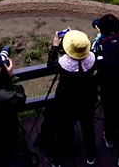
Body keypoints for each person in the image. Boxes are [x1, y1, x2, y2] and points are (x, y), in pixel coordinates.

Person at [44, 29, 99, 167]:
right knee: (88, 130)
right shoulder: (91, 59)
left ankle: (55, 160)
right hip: (87, 101)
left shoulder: (64, 64)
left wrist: (54, 47)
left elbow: (50, 65)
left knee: (61, 131)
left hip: (65, 103)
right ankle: (91, 155)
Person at [92, 14, 119, 167]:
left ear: (101, 29)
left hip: (108, 87)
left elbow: (95, 54)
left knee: (109, 114)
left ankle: (109, 139)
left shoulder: (98, 41)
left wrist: (100, 34)